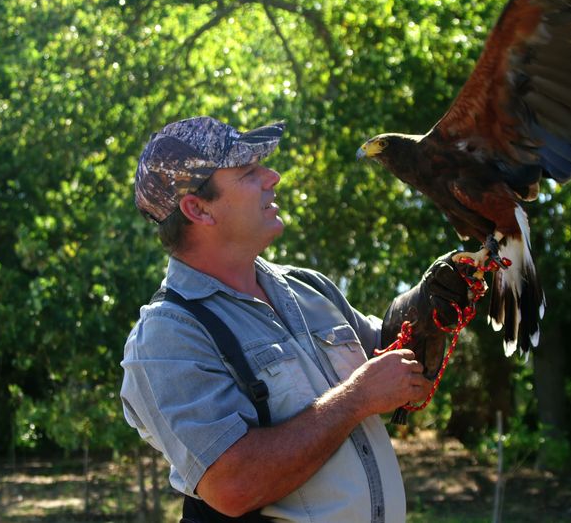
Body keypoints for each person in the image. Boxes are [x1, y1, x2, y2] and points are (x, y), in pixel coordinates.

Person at [119, 116, 475, 522]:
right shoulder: (167, 336)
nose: (273, 177)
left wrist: (431, 308)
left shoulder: (308, 287)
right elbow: (233, 486)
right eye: (249, 171)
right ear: (198, 208)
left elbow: (401, 382)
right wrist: (355, 399)